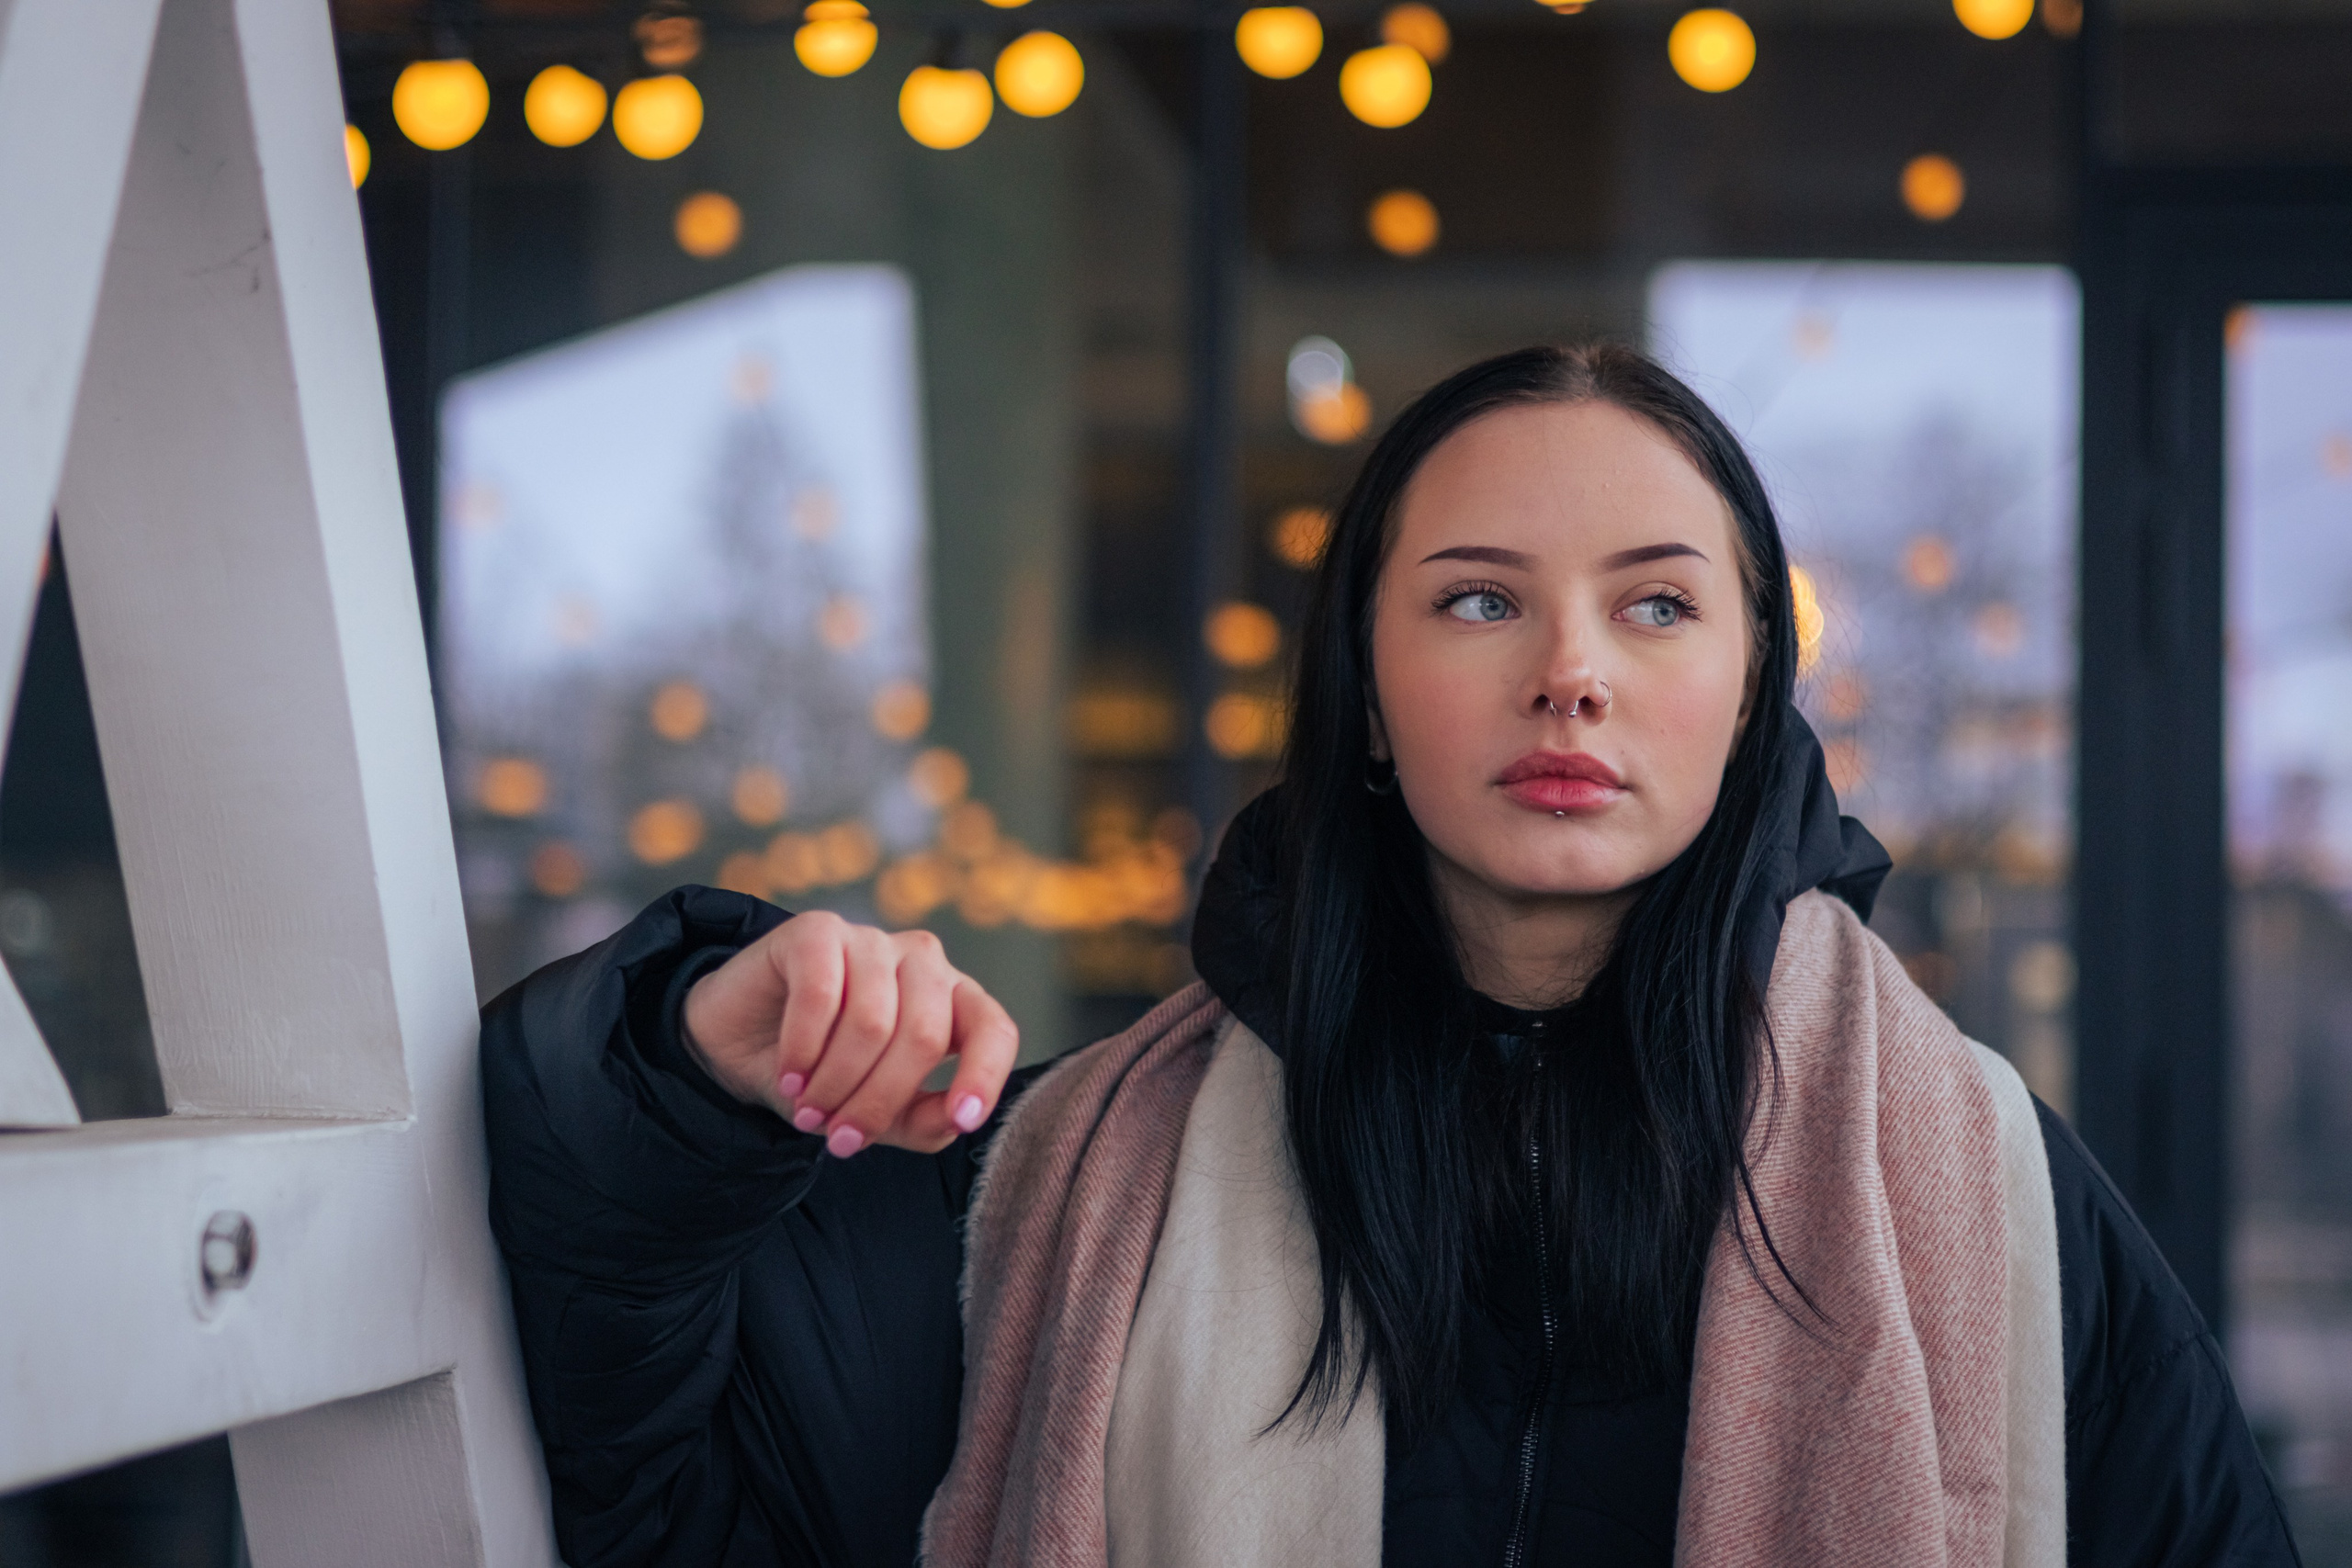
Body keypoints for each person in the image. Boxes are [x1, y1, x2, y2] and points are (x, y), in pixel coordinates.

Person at [481, 344, 2301, 1568]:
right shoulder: (1059, 1176)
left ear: (1750, 693)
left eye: (1654, 602)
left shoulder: (1974, 1179)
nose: (1566, 670)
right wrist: (685, 1068)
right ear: (1363, 685)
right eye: (1477, 596)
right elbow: (663, 1501)